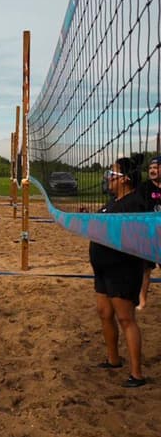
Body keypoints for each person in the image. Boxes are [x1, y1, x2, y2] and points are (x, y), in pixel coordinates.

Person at [90, 157, 147, 387]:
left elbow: (134, 237)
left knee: (125, 318)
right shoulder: (112, 201)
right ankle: (114, 360)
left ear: (124, 179)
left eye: (111, 173)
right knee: (104, 313)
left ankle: (137, 374)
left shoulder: (135, 204)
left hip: (122, 269)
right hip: (103, 268)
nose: (107, 177)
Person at [137, 155, 161, 309]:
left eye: (156, 168)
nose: (152, 170)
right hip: (148, 234)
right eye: (150, 168)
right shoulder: (144, 188)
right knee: (145, 270)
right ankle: (142, 301)